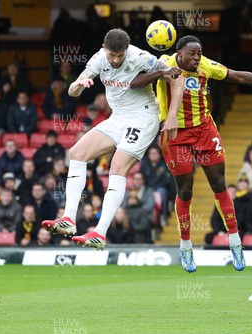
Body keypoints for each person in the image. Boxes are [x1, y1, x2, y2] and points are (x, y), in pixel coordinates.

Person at [130, 35, 252, 272]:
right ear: (179, 53)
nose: (197, 57)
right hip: (175, 135)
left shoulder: (206, 66)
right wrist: (161, 73)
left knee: (219, 183)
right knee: (185, 190)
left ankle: (235, 241)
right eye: (192, 53)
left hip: (204, 130)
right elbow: (134, 82)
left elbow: (238, 76)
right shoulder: (163, 62)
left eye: (199, 53)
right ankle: (186, 245)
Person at [41, 28, 181, 251]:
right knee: (76, 153)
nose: (116, 60)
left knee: (116, 167)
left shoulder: (141, 57)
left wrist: (172, 115)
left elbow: (176, 77)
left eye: (120, 55)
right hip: (118, 117)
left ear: (127, 50)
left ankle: (100, 232)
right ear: (104, 49)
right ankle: (68, 220)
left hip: (143, 117)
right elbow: (72, 92)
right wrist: (79, 85)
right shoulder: (98, 60)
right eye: (112, 55)